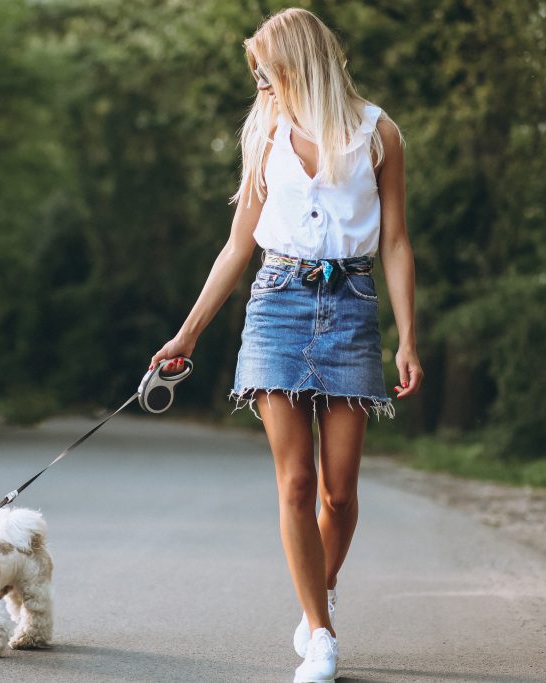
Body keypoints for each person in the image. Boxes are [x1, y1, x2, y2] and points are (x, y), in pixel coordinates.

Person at [149, 8, 423, 683]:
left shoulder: (378, 133)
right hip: (276, 304)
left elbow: (393, 241)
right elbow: (239, 243)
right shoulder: (264, 133)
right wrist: (188, 333)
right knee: (296, 483)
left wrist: (408, 337)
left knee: (340, 490)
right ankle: (321, 635)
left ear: (298, 65)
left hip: (352, 306)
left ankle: (315, 596)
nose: (262, 86)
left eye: (267, 74)